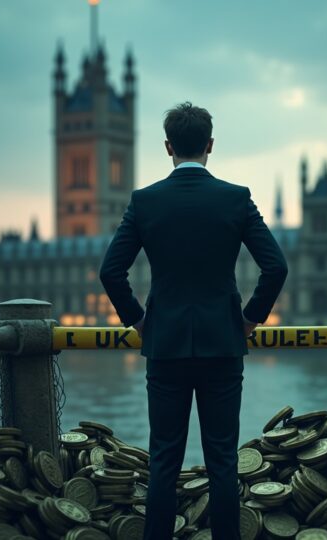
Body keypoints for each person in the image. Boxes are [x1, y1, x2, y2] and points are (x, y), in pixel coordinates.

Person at [99, 101, 288, 539]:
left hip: (164, 345)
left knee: (163, 459)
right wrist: (249, 319)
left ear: (168, 147)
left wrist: (139, 320)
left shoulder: (145, 202)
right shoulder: (235, 198)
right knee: (223, 460)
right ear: (210, 145)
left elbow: (111, 271)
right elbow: (275, 267)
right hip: (223, 343)